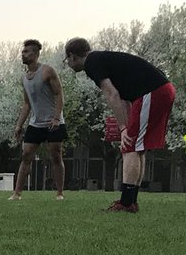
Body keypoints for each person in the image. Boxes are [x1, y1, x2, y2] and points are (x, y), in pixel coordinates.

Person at [64, 37, 176, 213]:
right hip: (161, 90)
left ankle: (126, 203)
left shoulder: (92, 62)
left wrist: (123, 128)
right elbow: (124, 99)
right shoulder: (103, 60)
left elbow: (112, 95)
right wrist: (128, 125)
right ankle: (130, 201)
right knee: (137, 147)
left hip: (153, 92)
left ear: (72, 56)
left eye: (67, 60)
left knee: (130, 147)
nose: (68, 64)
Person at [10, 39, 66, 201]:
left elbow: (59, 94)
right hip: (35, 123)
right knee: (26, 155)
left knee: (55, 156)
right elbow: (27, 104)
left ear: (35, 54)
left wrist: (57, 117)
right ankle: (17, 194)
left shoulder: (47, 71)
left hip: (53, 122)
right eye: (22, 52)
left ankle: (59, 193)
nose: (23, 54)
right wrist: (19, 125)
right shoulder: (24, 78)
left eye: (26, 52)